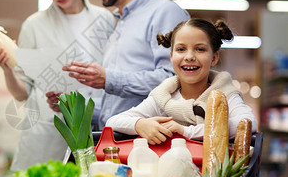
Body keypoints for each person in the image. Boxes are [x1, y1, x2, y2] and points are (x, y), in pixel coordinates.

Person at [0, 0, 116, 171]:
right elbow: (22, 93)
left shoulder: (105, 20)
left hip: (96, 131)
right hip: (49, 136)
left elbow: (113, 77)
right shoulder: (34, 25)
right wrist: (7, 69)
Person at [62, 0, 190, 128]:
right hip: (117, 142)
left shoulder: (165, 12)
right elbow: (115, 111)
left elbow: (176, 79)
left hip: (150, 144)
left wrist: (109, 78)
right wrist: (73, 105)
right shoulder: (119, 24)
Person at [106, 18, 257, 145]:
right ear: (171, 56)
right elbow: (113, 122)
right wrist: (139, 124)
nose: (189, 56)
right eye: (181, 49)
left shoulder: (225, 94)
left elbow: (248, 123)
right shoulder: (163, 97)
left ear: (214, 58)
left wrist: (186, 132)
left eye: (200, 49)